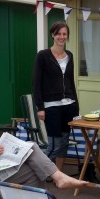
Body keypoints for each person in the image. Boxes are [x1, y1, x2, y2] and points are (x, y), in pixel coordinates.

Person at [32, 21, 79, 171]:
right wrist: (40, 107)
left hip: (69, 105)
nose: (61, 37)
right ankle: (39, 173)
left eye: (64, 34)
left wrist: (76, 104)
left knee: (64, 142)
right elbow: (36, 82)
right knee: (54, 144)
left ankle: (58, 173)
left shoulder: (69, 56)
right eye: (58, 33)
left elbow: (71, 81)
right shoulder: (43, 56)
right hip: (51, 106)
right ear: (52, 35)